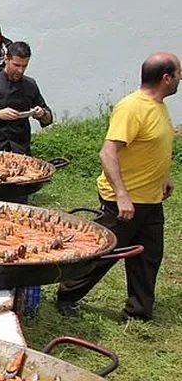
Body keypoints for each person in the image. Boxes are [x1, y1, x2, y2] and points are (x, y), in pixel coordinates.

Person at [56, 52, 180, 322]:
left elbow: (155, 146)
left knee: (148, 257)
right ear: (166, 78)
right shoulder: (132, 107)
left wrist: (164, 177)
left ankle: (138, 313)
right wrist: (122, 196)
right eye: (178, 73)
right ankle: (67, 296)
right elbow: (108, 153)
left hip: (150, 199)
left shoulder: (158, 105)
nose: (181, 78)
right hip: (124, 202)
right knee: (103, 254)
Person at [0, 41, 53, 155]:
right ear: (7, 60)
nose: (20, 70)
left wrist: (42, 113)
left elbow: (48, 118)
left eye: (24, 66)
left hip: (21, 148)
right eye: (16, 65)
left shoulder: (30, 84)